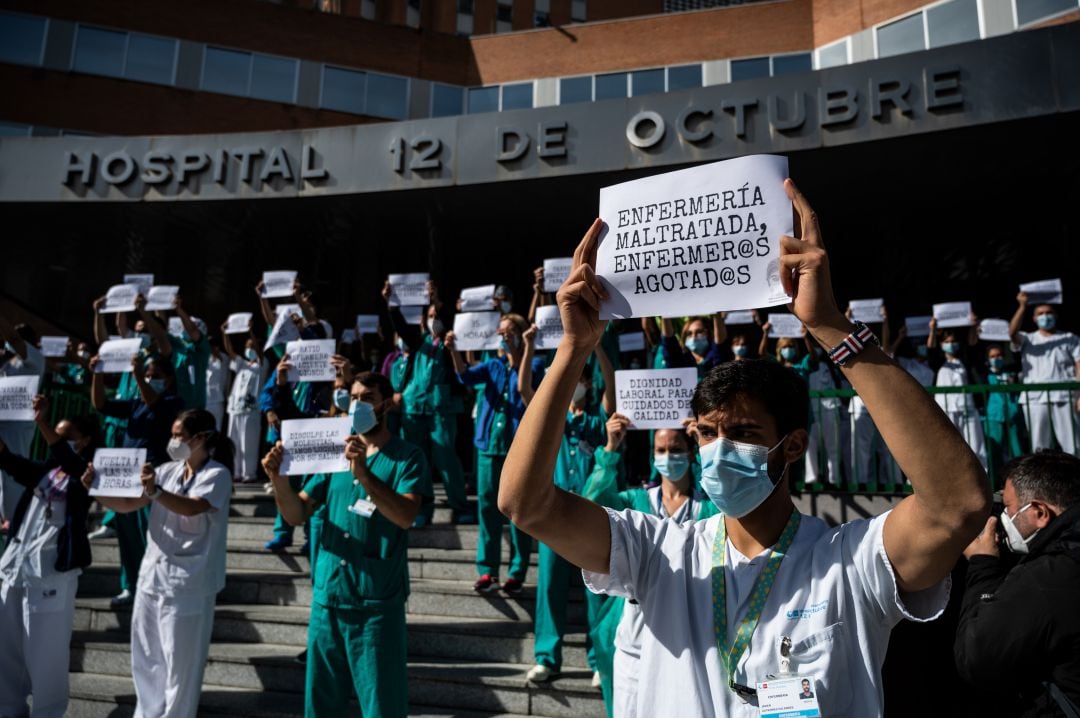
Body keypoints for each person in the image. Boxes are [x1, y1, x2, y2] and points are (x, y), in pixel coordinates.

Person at [498, 183, 990, 716]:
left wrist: (830, 326)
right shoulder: (660, 554)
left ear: (792, 445)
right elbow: (526, 504)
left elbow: (956, 505)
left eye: (745, 433)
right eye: (707, 434)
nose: (717, 450)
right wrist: (574, 349)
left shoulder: (847, 562)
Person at [261, 371, 432, 718]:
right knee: (321, 703)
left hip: (374, 604)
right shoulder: (333, 455)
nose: (358, 404)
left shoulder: (407, 456)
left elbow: (405, 516)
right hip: (328, 599)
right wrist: (278, 480)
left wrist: (364, 474)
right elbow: (297, 513)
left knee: (381, 704)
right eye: (354, 397)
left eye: (368, 397)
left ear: (387, 403)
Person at [82, 408, 233, 718]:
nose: (173, 440)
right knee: (147, 657)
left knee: (181, 664)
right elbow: (126, 505)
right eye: (173, 434)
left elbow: (193, 508)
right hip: (153, 577)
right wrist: (94, 488)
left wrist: (156, 492)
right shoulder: (166, 471)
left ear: (201, 438)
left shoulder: (217, 474)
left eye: (180, 435)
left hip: (190, 583)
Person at [583, 416, 718, 717]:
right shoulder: (633, 501)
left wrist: (705, 444)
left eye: (676, 449)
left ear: (689, 451)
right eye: (661, 450)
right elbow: (591, 504)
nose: (668, 457)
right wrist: (610, 449)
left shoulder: (708, 507)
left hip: (690, 635)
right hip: (634, 636)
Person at [519, 327, 615, 685]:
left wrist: (600, 348)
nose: (576, 384)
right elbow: (526, 392)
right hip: (553, 514)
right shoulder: (553, 420)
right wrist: (528, 347)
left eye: (581, 380)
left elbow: (613, 393)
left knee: (598, 589)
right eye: (572, 379)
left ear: (587, 386)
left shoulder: (595, 422)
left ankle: (598, 657)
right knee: (549, 587)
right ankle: (547, 656)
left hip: (592, 514)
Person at [954, 450, 1080, 716]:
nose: (1004, 517)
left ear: (1039, 512)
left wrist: (983, 565)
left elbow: (977, 658)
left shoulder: (1048, 577)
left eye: (1009, 507)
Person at [0, 396, 98, 718]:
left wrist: (41, 423)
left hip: (51, 574)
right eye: (53, 433)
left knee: (45, 655)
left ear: (82, 440)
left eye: (64, 436)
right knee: (7, 649)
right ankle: (9, 709)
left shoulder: (88, 473)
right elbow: (23, 470)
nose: (53, 440)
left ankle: (47, 713)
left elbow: (71, 465)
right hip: (16, 566)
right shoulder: (51, 468)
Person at [447, 313, 544, 594]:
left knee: (517, 510)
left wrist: (522, 350)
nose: (504, 335)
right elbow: (464, 375)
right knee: (487, 507)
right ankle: (487, 570)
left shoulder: (534, 363)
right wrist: (454, 350)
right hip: (489, 446)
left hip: (518, 447)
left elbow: (524, 387)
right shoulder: (492, 366)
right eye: (501, 331)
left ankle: (517, 570)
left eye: (510, 330)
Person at [90, 352, 185, 606]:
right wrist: (97, 374)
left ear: (169, 380)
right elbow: (100, 405)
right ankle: (129, 585)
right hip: (127, 474)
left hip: (153, 475)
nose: (150, 379)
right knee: (127, 533)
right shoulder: (135, 404)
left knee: (149, 534)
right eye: (148, 374)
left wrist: (137, 375)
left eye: (156, 376)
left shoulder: (173, 402)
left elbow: (153, 400)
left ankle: (153, 585)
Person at [384, 279, 471, 526]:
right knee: (417, 458)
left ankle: (460, 505)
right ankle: (422, 508)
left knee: (446, 456)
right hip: (414, 407)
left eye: (437, 316)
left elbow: (443, 317)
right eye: (430, 315)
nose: (434, 319)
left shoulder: (449, 343)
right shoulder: (418, 341)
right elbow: (400, 326)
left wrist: (435, 300)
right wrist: (391, 303)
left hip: (441, 408)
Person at [1009, 294, 1080, 454]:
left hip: (1065, 396)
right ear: (1033, 318)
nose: (1045, 316)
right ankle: (1040, 479)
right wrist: (1022, 307)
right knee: (1039, 445)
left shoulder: (1070, 338)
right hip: (1035, 399)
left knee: (1073, 444)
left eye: (1048, 312)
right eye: (1040, 314)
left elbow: (1079, 365)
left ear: (1056, 315)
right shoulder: (1028, 338)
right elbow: (1012, 333)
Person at [0, 318, 46, 526]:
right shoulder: (7, 361)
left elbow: (13, 337)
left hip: (17, 426)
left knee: (12, 475)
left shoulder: (35, 359)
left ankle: (13, 520)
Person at [931, 322, 987, 469]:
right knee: (945, 446)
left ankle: (983, 479)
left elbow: (973, 346)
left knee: (975, 446)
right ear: (942, 344)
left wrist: (973, 327)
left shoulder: (966, 362)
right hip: (945, 410)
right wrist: (933, 330)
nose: (951, 344)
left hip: (967, 408)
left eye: (953, 341)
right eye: (947, 342)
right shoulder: (938, 363)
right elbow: (931, 350)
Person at [221, 323, 267, 483]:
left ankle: (250, 473)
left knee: (249, 443)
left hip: (251, 410)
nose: (249, 349)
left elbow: (260, 353)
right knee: (234, 442)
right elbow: (230, 352)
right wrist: (225, 334)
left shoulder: (262, 364)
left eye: (251, 346)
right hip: (235, 409)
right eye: (247, 346)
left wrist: (251, 332)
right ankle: (237, 472)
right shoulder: (242, 364)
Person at [983, 344, 1026, 487]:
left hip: (1013, 415)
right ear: (988, 359)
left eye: (999, 355)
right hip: (994, 416)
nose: (997, 359)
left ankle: (1021, 483)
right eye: (993, 356)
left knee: (1017, 450)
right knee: (994, 452)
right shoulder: (984, 374)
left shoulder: (1011, 372)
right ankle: (995, 484)